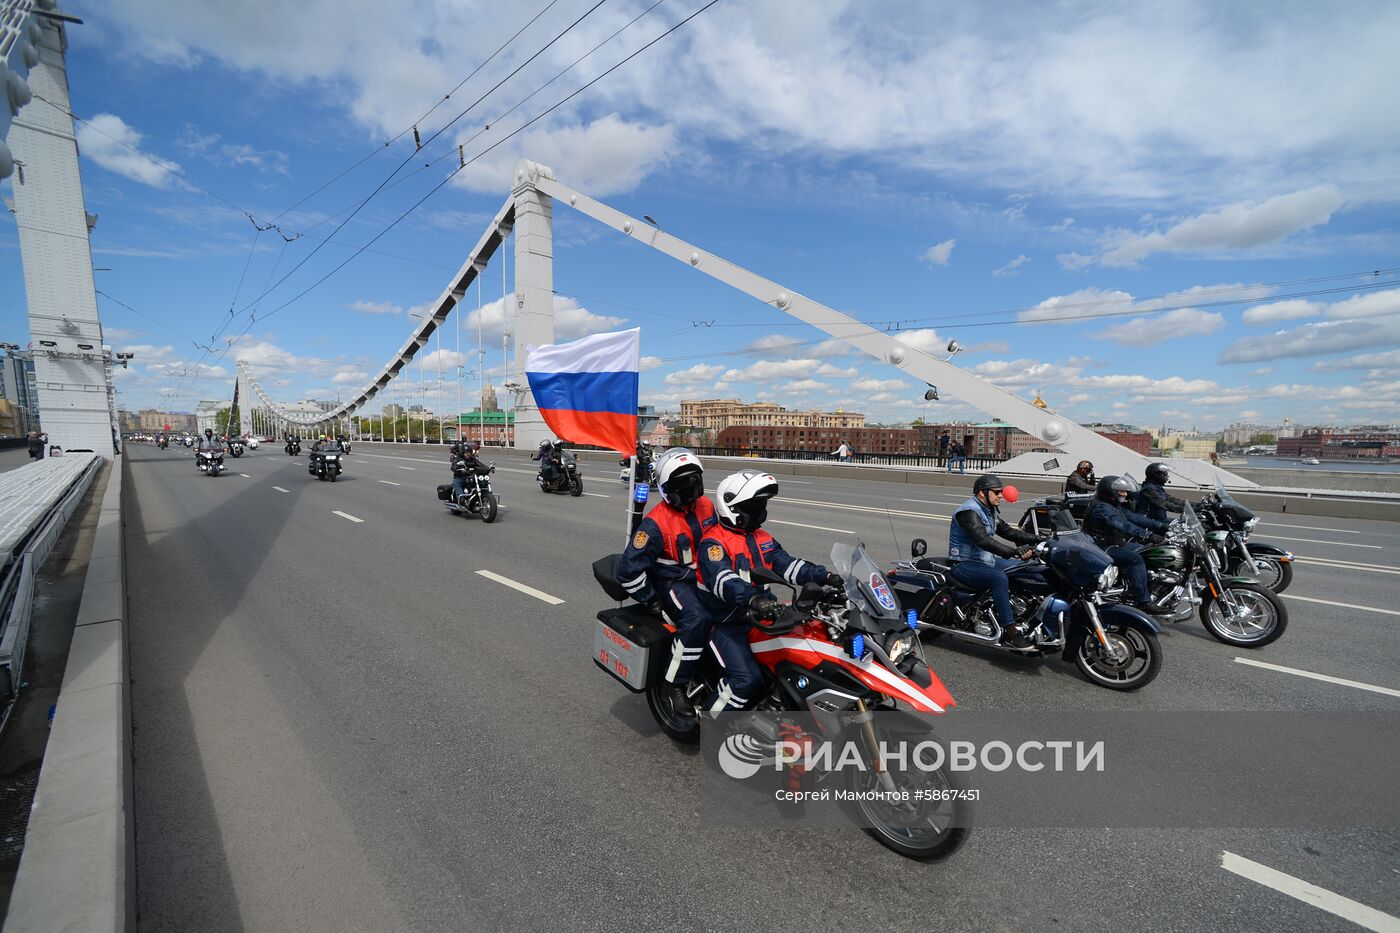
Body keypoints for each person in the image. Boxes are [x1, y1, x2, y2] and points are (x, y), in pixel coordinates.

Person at [697, 470, 840, 712]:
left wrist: (827, 577)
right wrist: (753, 598)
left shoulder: (761, 537)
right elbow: (723, 580)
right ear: (733, 508)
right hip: (727, 622)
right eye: (754, 506)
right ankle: (712, 725)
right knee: (746, 681)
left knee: (810, 656)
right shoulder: (714, 543)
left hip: (763, 617)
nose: (760, 512)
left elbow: (787, 565)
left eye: (761, 505)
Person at [616, 449, 718, 725]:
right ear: (665, 489)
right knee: (697, 619)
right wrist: (652, 600)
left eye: (693, 482)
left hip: (704, 577)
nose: (689, 491)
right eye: (681, 486)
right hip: (674, 582)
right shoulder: (655, 523)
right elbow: (628, 571)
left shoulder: (707, 506)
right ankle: (675, 685)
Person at [947, 474, 1042, 646]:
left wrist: (1039, 540)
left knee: (1022, 569)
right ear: (983, 493)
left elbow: (1009, 532)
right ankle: (1010, 631)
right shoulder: (969, 512)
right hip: (964, 564)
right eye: (997, 492)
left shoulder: (989, 510)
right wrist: (1013, 551)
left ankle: (1021, 612)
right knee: (999, 578)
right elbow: (982, 539)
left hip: (985, 561)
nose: (1001, 495)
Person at [1083, 475, 1170, 614]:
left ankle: (1141, 584)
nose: (1125, 494)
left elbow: (1136, 518)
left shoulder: (1112, 506)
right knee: (1135, 559)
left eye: (1125, 491)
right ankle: (1143, 601)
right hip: (1101, 546)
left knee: (1148, 551)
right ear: (1110, 492)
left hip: (1114, 542)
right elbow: (1124, 525)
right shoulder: (1102, 508)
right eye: (1121, 491)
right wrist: (1148, 535)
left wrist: (1163, 525)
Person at [449, 439, 482, 504]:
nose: (468, 454)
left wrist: (487, 468)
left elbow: (480, 464)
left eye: (469, 453)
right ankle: (461, 499)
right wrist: (459, 469)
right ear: (463, 453)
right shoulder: (458, 459)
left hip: (470, 477)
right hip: (460, 477)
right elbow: (454, 467)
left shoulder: (473, 459)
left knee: (480, 482)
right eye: (466, 453)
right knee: (457, 483)